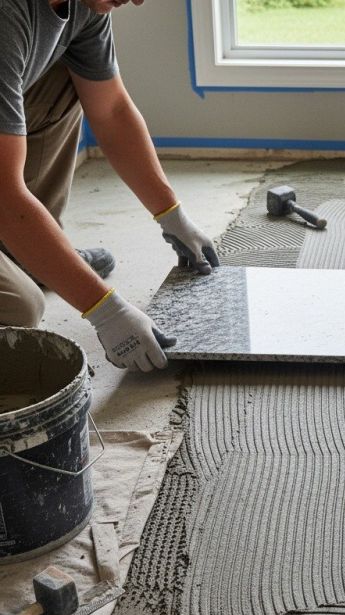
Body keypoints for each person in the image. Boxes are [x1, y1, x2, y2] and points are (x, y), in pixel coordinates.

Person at [0, 0, 219, 371]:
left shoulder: (86, 5)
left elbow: (112, 110)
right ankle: (25, 250)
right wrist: (105, 310)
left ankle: (26, 253)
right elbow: (4, 196)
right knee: (20, 308)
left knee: (67, 77)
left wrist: (172, 215)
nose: (137, 1)